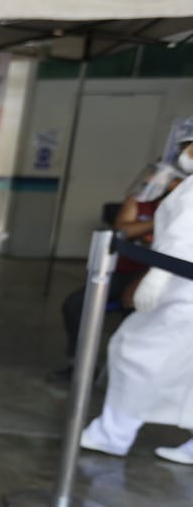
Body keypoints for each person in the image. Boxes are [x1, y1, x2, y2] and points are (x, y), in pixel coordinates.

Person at [53, 117, 192, 381]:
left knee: (147, 321)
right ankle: (79, 365)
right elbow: (122, 230)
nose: (154, 180)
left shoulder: (185, 207)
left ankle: (136, 375)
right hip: (126, 272)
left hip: (167, 279)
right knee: (76, 305)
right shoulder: (141, 203)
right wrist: (157, 217)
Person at [80, 141, 193, 464]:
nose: (184, 153)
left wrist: (157, 276)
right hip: (182, 287)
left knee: (136, 353)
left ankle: (113, 434)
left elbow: (182, 240)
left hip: (182, 290)